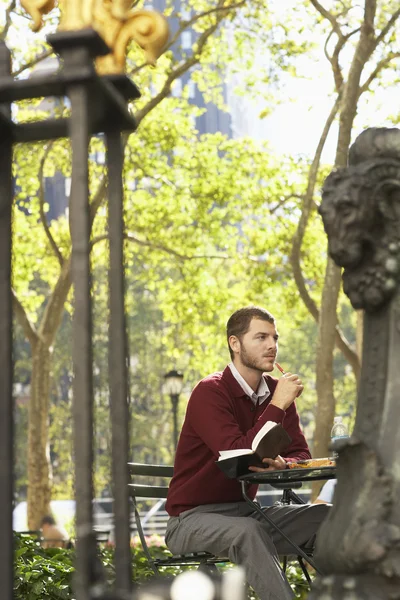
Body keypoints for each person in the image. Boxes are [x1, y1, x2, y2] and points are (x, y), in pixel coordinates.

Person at [165, 306, 329, 600]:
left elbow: (300, 454)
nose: (272, 346)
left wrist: (283, 464)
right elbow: (238, 454)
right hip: (190, 520)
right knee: (247, 533)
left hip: (246, 512)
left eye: (275, 338)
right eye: (261, 337)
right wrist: (277, 405)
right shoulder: (209, 391)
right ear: (235, 343)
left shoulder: (278, 392)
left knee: (328, 516)